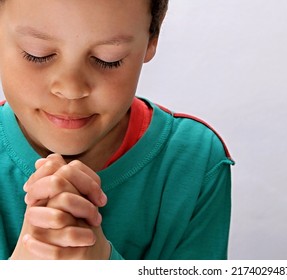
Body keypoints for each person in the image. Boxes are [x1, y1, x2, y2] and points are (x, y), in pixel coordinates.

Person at [0, 0, 234, 260]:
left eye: (108, 60)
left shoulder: (193, 161)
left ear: (151, 39)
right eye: (37, 54)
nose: (71, 89)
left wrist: (102, 262)